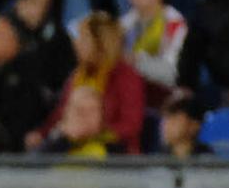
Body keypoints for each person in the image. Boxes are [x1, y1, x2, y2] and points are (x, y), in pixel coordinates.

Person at [31, 12, 144, 152]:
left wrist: (91, 133)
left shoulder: (125, 76)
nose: (77, 44)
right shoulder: (77, 75)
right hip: (71, 144)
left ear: (100, 43)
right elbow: (61, 114)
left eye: (83, 39)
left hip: (112, 153)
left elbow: (130, 125)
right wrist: (42, 134)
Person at [121, 0, 187, 101]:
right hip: (130, 93)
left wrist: (136, 61)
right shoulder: (125, 24)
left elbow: (171, 73)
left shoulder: (174, 23)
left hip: (164, 96)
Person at [157, 90, 212, 158]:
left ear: (194, 125)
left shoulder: (210, 162)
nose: (167, 125)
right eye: (166, 119)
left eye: (174, 119)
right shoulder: (156, 162)